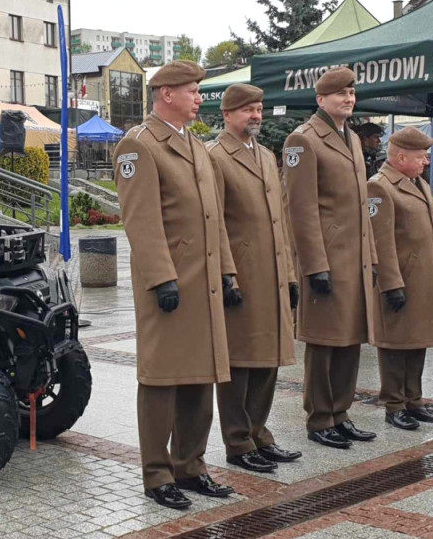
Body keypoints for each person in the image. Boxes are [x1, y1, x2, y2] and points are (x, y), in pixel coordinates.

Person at [114, 60, 235, 509]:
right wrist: (163, 278)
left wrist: (227, 271)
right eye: (193, 91)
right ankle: (157, 474)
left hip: (202, 283)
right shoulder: (140, 145)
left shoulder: (197, 147)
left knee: (200, 377)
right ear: (166, 93)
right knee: (163, 379)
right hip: (170, 284)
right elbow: (141, 221)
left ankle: (191, 466)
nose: (200, 98)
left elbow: (213, 218)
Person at [206, 84, 301, 473]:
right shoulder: (215, 157)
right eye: (247, 110)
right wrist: (228, 274)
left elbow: (281, 219)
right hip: (242, 274)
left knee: (269, 357)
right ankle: (237, 441)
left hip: (273, 273)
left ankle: (260, 432)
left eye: (259, 109)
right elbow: (215, 223)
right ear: (228, 115)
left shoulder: (265, 155)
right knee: (241, 361)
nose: (256, 116)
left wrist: (291, 274)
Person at [283, 67, 377, 449]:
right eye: (340, 94)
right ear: (321, 100)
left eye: (352, 93)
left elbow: (360, 205)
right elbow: (300, 209)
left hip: (353, 258)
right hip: (326, 259)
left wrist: (370, 256)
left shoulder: (352, 138)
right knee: (323, 342)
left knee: (350, 339)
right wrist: (314, 265)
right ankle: (320, 417)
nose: (349, 99)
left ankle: (341, 412)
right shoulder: (303, 140)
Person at [368, 127, 433, 430]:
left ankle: (413, 400)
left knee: (417, 339)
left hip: (421, 279)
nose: (426, 162)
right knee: (395, 343)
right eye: (421, 156)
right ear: (401, 156)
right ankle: (394, 404)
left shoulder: (416, 183)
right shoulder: (380, 187)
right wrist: (392, 284)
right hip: (401, 280)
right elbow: (381, 242)